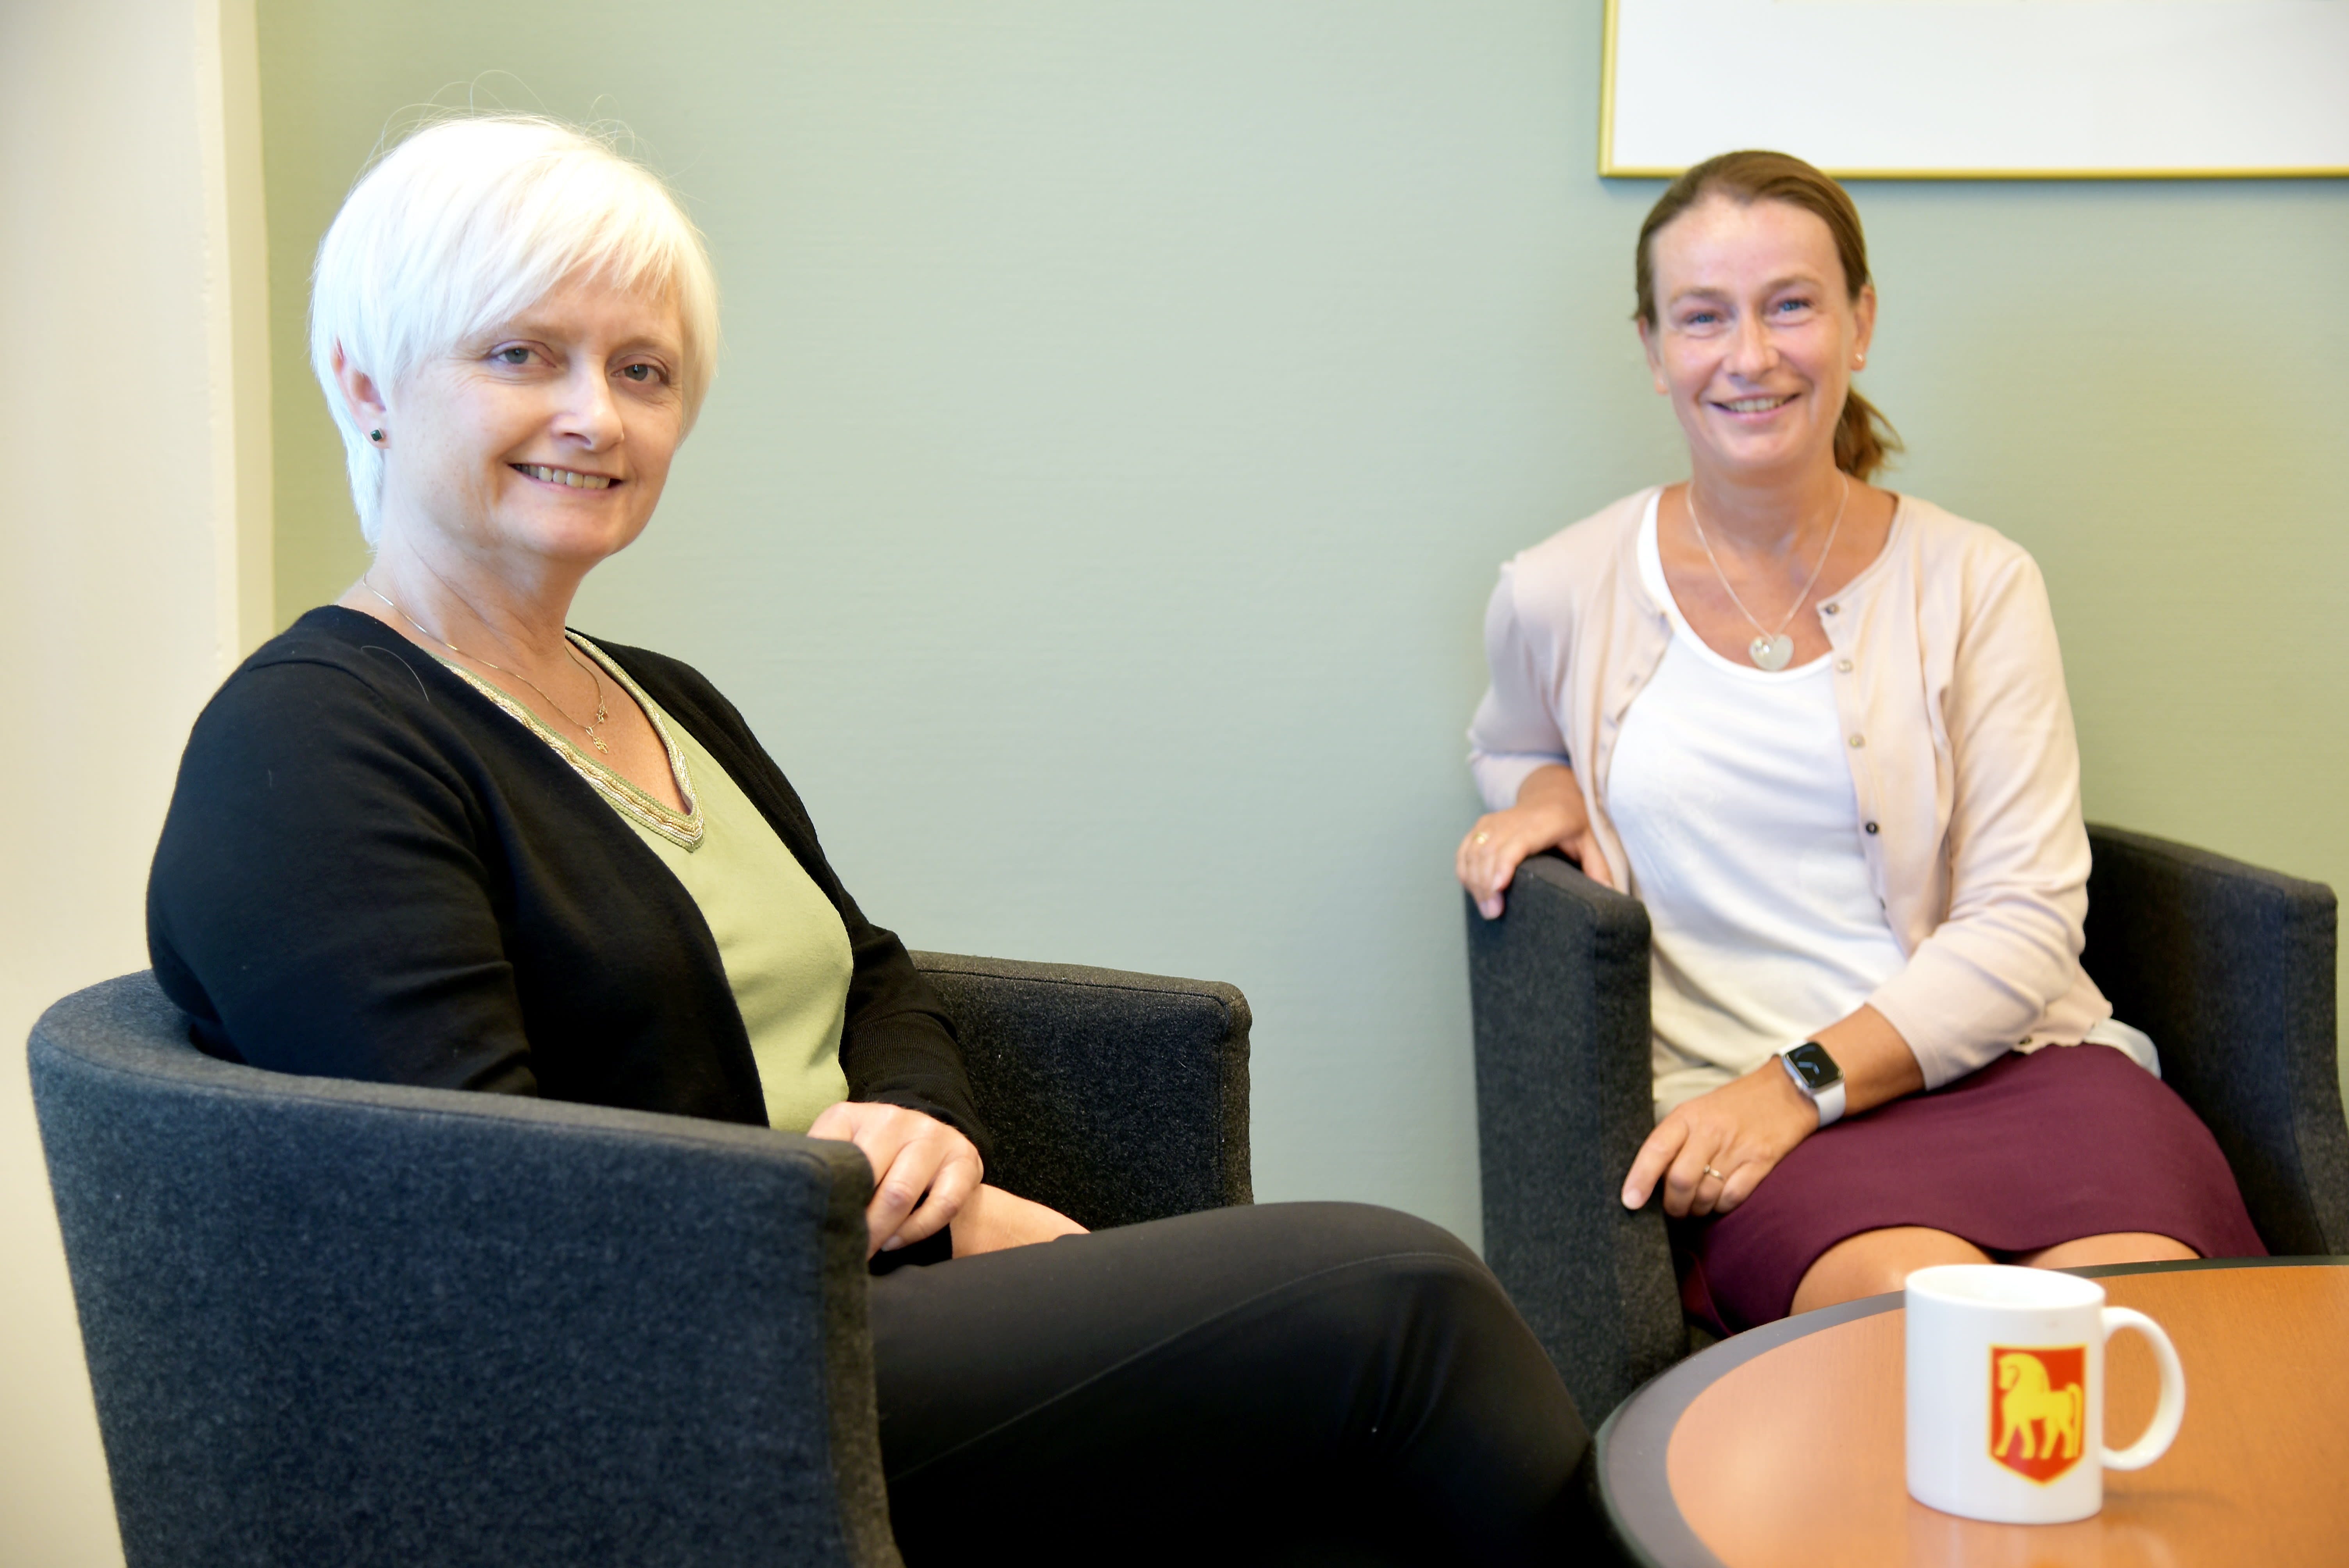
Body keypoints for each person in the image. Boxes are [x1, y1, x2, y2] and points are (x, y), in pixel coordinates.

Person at [146, 116, 1587, 1565]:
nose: (598, 417)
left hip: (839, 1302)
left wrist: (922, 1125)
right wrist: (911, 1230)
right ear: (367, 381)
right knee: (1398, 1297)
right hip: (665, 1395)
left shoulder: (660, 696)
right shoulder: (312, 746)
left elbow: (873, 973)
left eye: (643, 372)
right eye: (523, 355)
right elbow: (489, 1224)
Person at [1454, 150, 2263, 1335]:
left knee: (2136, 1314)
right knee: (1916, 1328)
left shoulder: (1979, 580)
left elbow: (2028, 920)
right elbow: (1510, 741)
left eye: (1791, 305)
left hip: (2013, 1070)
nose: (1751, 355)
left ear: (1860, 322)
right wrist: (1547, 792)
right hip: (1748, 1117)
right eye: (1704, 317)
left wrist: (1802, 1087)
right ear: (1653, 348)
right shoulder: (1558, 588)